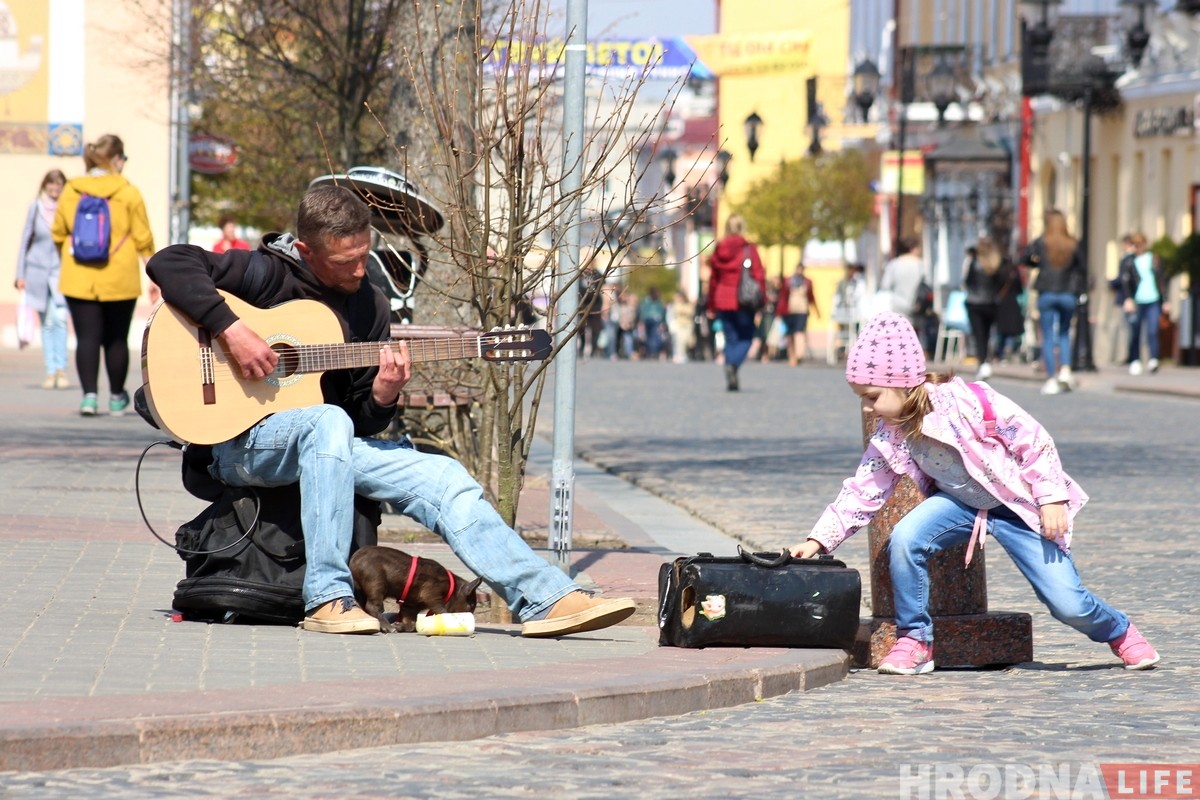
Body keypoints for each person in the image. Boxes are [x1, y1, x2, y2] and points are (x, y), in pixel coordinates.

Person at [145, 185, 636, 636]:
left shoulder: (369, 307)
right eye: (344, 261)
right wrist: (233, 330)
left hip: (322, 445)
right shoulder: (262, 274)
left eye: (364, 255)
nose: (359, 270)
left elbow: (357, 420)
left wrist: (382, 395)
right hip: (237, 445)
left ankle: (545, 598)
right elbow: (169, 263)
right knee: (327, 423)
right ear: (308, 251)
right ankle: (327, 599)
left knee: (441, 475)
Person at [788, 312, 1161, 675]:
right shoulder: (891, 433)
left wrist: (1051, 498)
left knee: (1067, 603)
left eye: (871, 396)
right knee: (904, 538)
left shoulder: (964, 401)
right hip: (960, 505)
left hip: (1019, 506)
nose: (866, 407)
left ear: (903, 383)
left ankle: (1119, 631)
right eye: (861, 398)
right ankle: (915, 640)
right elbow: (862, 489)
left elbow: (1032, 439)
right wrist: (818, 540)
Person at [52, 134, 156, 417]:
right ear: (117, 159)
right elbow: (143, 236)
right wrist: (155, 275)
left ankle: (88, 397)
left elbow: (59, 232)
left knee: (86, 338)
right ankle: (116, 398)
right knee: (116, 339)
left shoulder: (71, 190)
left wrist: (71, 255)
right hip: (120, 275)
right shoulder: (128, 191)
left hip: (78, 276)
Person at [14, 169, 70, 389]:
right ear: (45, 185)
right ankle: (50, 370)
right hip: (36, 271)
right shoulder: (35, 207)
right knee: (46, 322)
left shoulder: (66, 209)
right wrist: (20, 274)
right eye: (51, 184)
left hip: (59, 271)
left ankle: (61, 369)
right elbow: (25, 240)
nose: (55, 189)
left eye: (59, 185)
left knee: (60, 318)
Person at [1023, 209, 1086, 396]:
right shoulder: (1072, 243)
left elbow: (1024, 257)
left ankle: (1051, 378)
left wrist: (1038, 263)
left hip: (1047, 293)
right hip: (1067, 293)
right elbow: (1082, 268)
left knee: (1048, 336)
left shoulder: (1042, 242)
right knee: (1065, 333)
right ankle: (1065, 370)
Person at [706, 214, 766, 391]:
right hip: (744, 300)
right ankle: (732, 365)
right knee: (747, 336)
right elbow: (759, 275)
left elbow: (713, 279)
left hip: (722, 298)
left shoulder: (719, 248)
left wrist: (711, 304)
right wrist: (762, 300)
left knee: (731, 337)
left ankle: (730, 366)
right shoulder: (748, 249)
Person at [962, 237, 1015, 380]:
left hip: (975, 302)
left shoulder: (975, 262)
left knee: (979, 334)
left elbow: (968, 281)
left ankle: (982, 362)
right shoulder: (996, 262)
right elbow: (1004, 280)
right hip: (991, 302)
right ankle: (987, 361)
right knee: (989, 333)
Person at [1119, 232, 1167, 376]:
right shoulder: (1128, 261)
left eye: (1140, 244)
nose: (1138, 247)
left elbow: (1162, 280)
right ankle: (1135, 360)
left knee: (1152, 331)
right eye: (1135, 245)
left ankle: (1153, 359)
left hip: (1153, 300)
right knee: (1136, 332)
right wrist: (1128, 299)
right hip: (1137, 301)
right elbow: (1125, 281)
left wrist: (1165, 300)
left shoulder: (1154, 259)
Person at [880, 236, 935, 355]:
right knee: (915, 333)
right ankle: (913, 357)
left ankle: (898, 356)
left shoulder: (894, 265)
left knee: (898, 332)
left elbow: (885, 285)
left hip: (898, 303)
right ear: (912, 249)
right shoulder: (921, 265)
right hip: (917, 304)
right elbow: (929, 284)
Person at [775, 262, 819, 366]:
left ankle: (800, 354)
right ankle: (792, 356)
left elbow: (811, 297)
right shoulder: (788, 281)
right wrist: (779, 311)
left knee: (799, 332)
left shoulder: (807, 282)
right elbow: (783, 297)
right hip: (789, 310)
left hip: (802, 310)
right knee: (790, 334)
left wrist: (816, 310)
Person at [638, 286, 667, 360]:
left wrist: (663, 322)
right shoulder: (647, 301)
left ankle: (653, 352)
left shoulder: (658, 301)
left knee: (654, 337)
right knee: (649, 337)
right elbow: (643, 311)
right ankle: (651, 352)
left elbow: (662, 312)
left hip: (656, 321)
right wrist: (641, 321)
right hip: (648, 320)